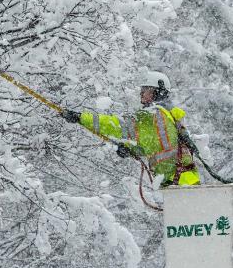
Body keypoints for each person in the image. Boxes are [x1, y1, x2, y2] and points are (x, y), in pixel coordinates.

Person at [63, 71, 201, 187]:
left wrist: (81, 118)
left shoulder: (152, 115)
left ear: (158, 92)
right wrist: (132, 149)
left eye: (146, 90)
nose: (141, 94)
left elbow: (115, 125)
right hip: (185, 181)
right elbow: (155, 145)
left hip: (179, 183)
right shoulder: (168, 115)